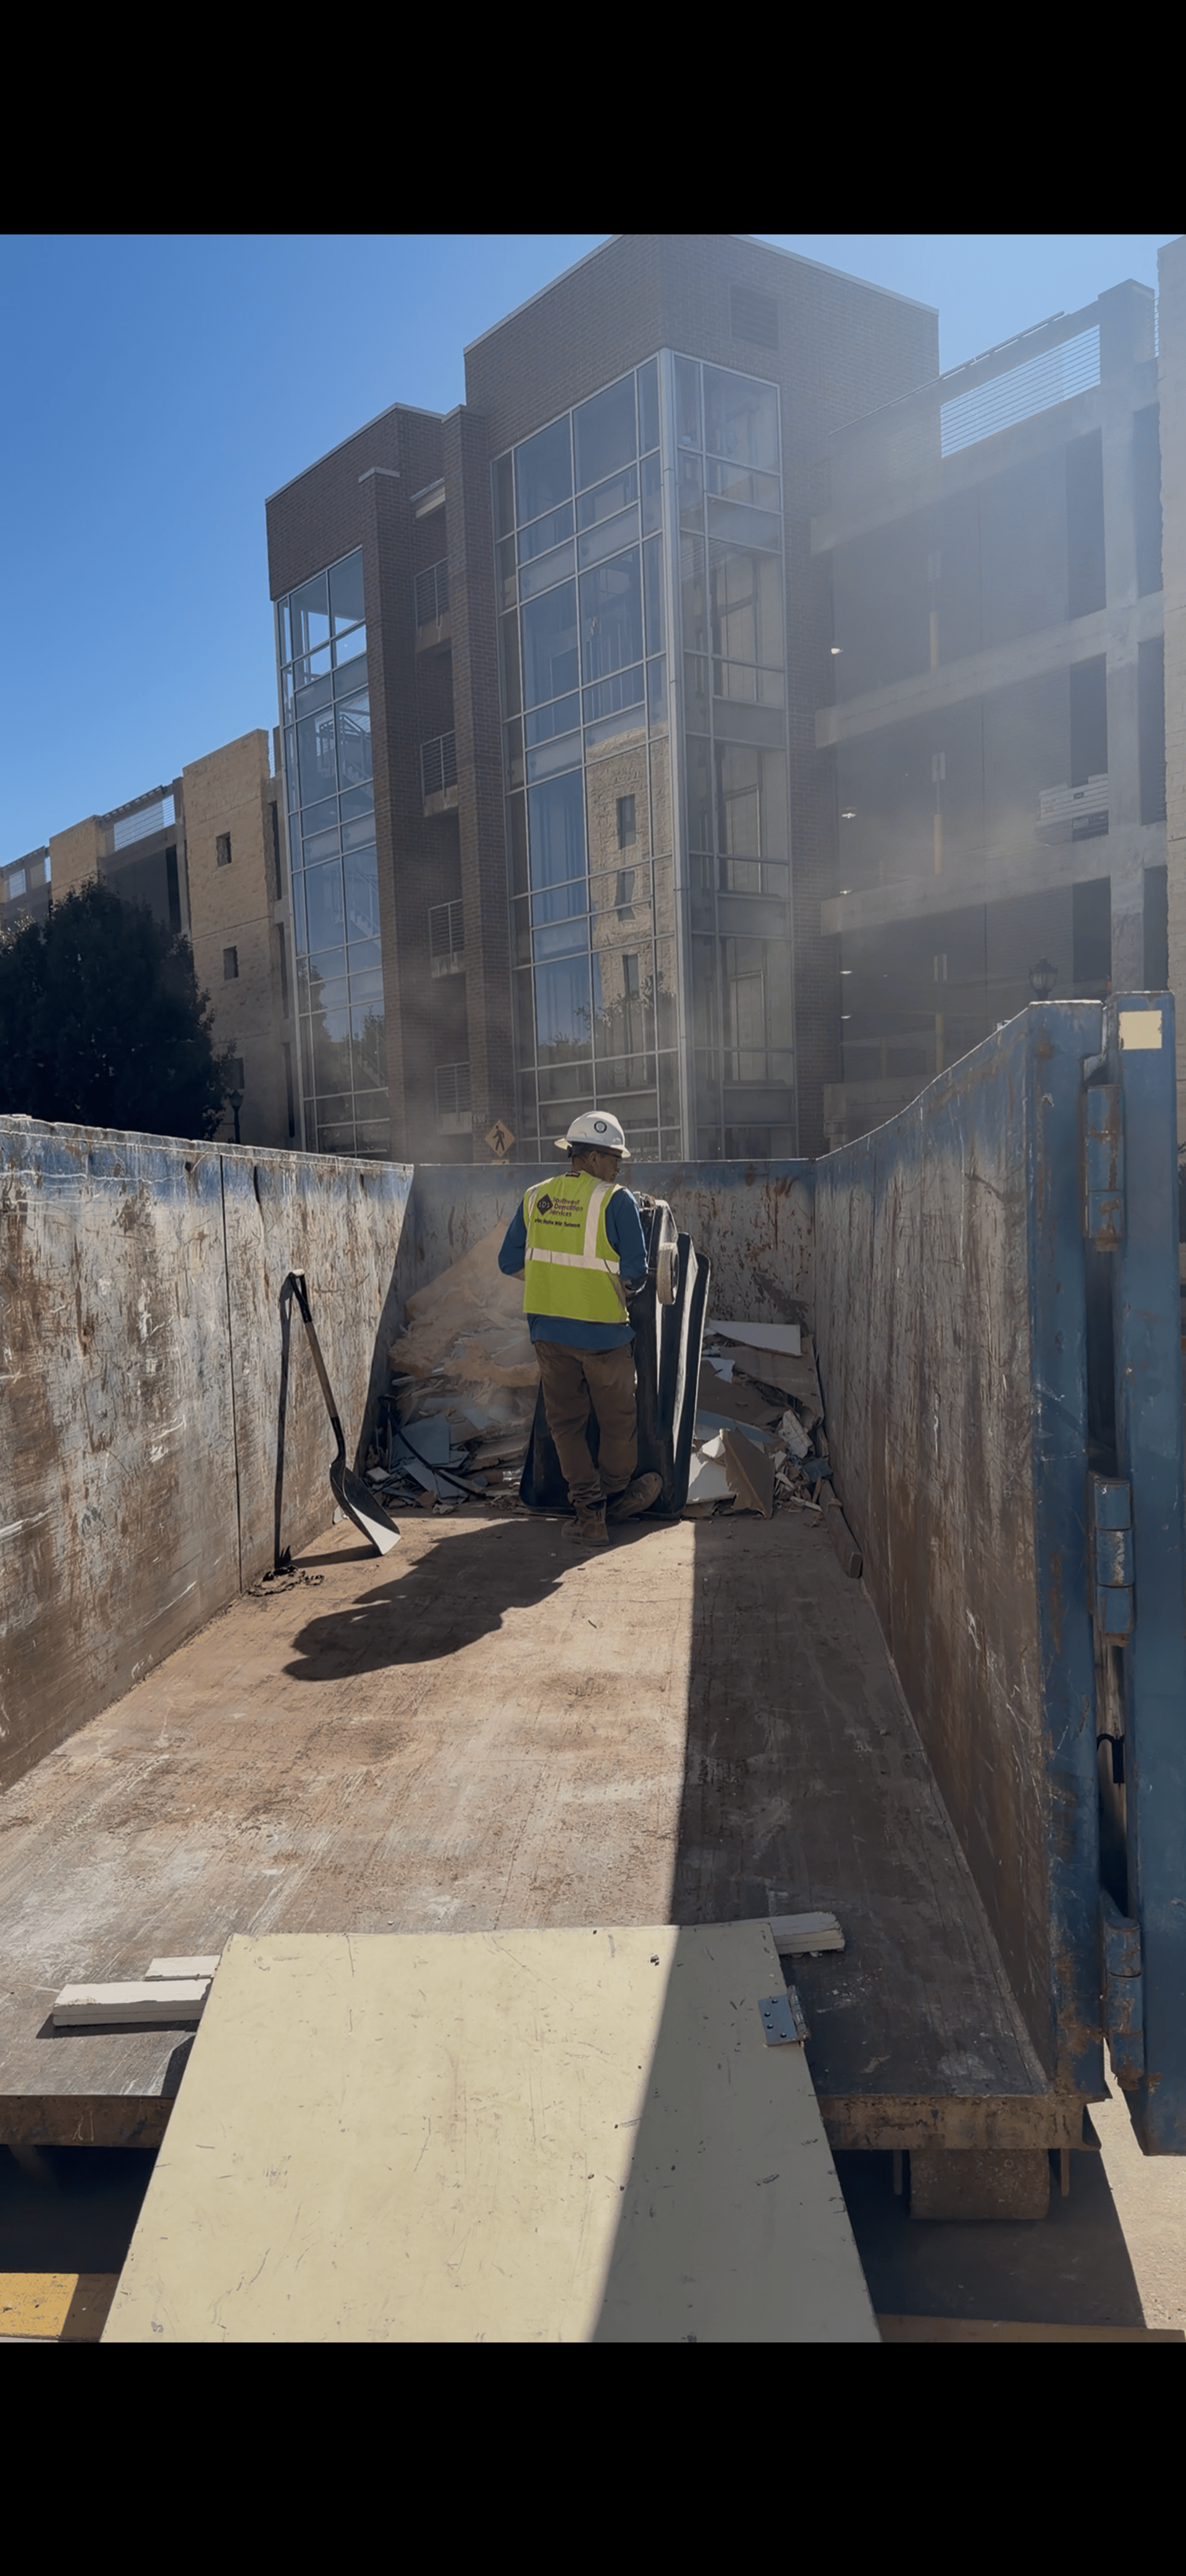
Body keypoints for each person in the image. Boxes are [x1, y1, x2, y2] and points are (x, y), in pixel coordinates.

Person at [498, 1112, 662, 1548]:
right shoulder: (617, 1200)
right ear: (589, 1156)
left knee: (567, 1426)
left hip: (550, 1337)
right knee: (618, 1423)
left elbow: (508, 1262)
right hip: (605, 1337)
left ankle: (591, 1514)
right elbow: (636, 1273)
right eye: (612, 1158)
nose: (618, 1167)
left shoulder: (536, 1197)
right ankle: (611, 1496)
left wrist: (555, 1288)